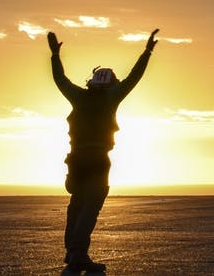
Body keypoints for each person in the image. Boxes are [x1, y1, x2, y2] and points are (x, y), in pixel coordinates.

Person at [48, 28, 159, 273]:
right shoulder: (111, 97)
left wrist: (55, 55)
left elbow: (60, 80)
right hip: (98, 159)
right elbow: (134, 77)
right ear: (110, 83)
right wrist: (147, 52)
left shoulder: (78, 95)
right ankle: (78, 254)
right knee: (90, 206)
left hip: (75, 160)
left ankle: (72, 253)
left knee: (76, 204)